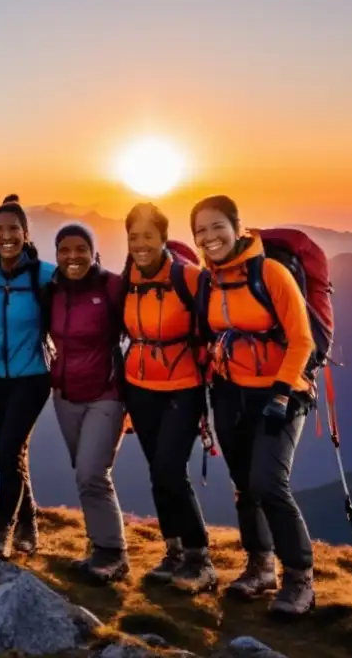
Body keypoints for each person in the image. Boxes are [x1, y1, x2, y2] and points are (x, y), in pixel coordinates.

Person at [191, 195, 316, 615]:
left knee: (269, 484)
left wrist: (281, 393)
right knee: (244, 484)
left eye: (217, 227)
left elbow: (303, 340)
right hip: (229, 392)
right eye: (200, 231)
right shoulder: (209, 281)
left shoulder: (271, 273)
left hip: (281, 392)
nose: (209, 237)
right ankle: (260, 567)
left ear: (238, 228)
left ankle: (300, 579)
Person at [119, 203, 216, 593]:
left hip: (183, 386)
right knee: (157, 472)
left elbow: (217, 324)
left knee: (170, 471)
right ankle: (173, 551)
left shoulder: (189, 279)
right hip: (139, 386)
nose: (140, 245)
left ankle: (200, 560)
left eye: (148, 236)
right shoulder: (127, 278)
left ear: (163, 238)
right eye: (133, 237)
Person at [47, 224, 129, 583]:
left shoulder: (112, 287)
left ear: (95, 252)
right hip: (64, 394)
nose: (73, 256)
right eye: (64, 250)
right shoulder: (50, 291)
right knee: (84, 474)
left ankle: (114, 552)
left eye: (81, 249)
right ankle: (98, 545)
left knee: (92, 473)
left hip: (106, 394)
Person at [0, 195, 56, 560]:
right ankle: (30, 521)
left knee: (7, 449)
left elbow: (82, 288)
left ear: (26, 233)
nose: (5, 236)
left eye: (13, 229)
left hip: (32, 377)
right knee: (14, 454)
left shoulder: (45, 275)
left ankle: (2, 526)